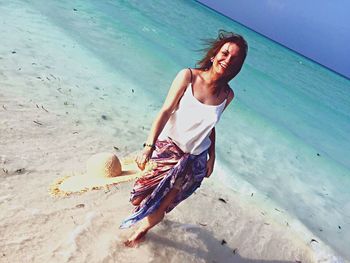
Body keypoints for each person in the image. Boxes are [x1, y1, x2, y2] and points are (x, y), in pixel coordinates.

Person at [120, 30, 248, 247]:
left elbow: (210, 127)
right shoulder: (188, 76)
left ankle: (141, 230)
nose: (228, 61)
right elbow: (165, 111)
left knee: (162, 204)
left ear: (237, 68)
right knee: (138, 198)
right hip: (167, 149)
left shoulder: (228, 95)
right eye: (225, 53)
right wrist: (148, 146)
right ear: (214, 54)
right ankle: (145, 215)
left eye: (234, 59)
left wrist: (212, 157)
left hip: (193, 160)